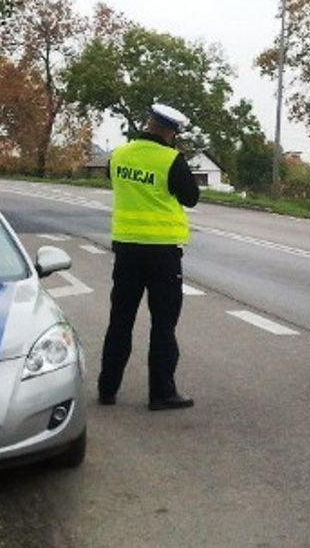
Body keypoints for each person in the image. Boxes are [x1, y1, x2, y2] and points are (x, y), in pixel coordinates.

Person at [97, 103, 200, 411]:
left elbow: (112, 180)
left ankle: (107, 388)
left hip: (126, 250)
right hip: (163, 254)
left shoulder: (120, 154)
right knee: (163, 323)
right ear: (169, 131)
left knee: (120, 320)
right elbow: (191, 198)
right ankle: (161, 393)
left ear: (147, 124)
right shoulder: (171, 160)